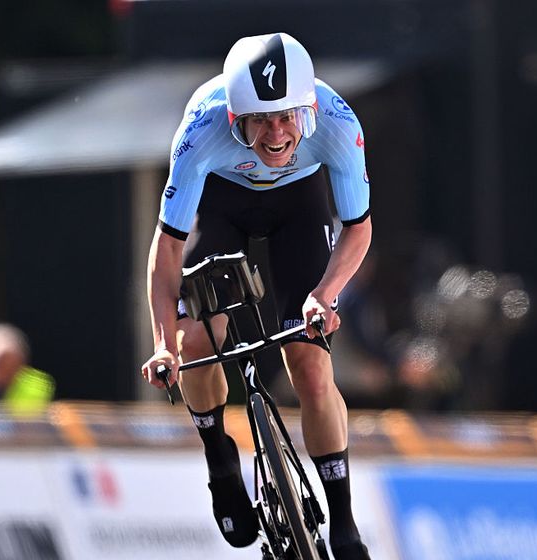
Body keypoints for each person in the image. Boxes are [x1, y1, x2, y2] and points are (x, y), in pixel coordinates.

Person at [140, 33, 372, 559]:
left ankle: (343, 517)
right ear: (234, 119)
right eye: (261, 120)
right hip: (221, 201)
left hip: (300, 206)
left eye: (289, 117)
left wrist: (324, 296)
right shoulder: (201, 128)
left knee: (310, 365)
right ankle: (219, 457)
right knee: (198, 340)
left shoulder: (338, 124)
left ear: (308, 110)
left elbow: (358, 229)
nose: (276, 133)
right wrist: (163, 343)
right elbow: (167, 250)